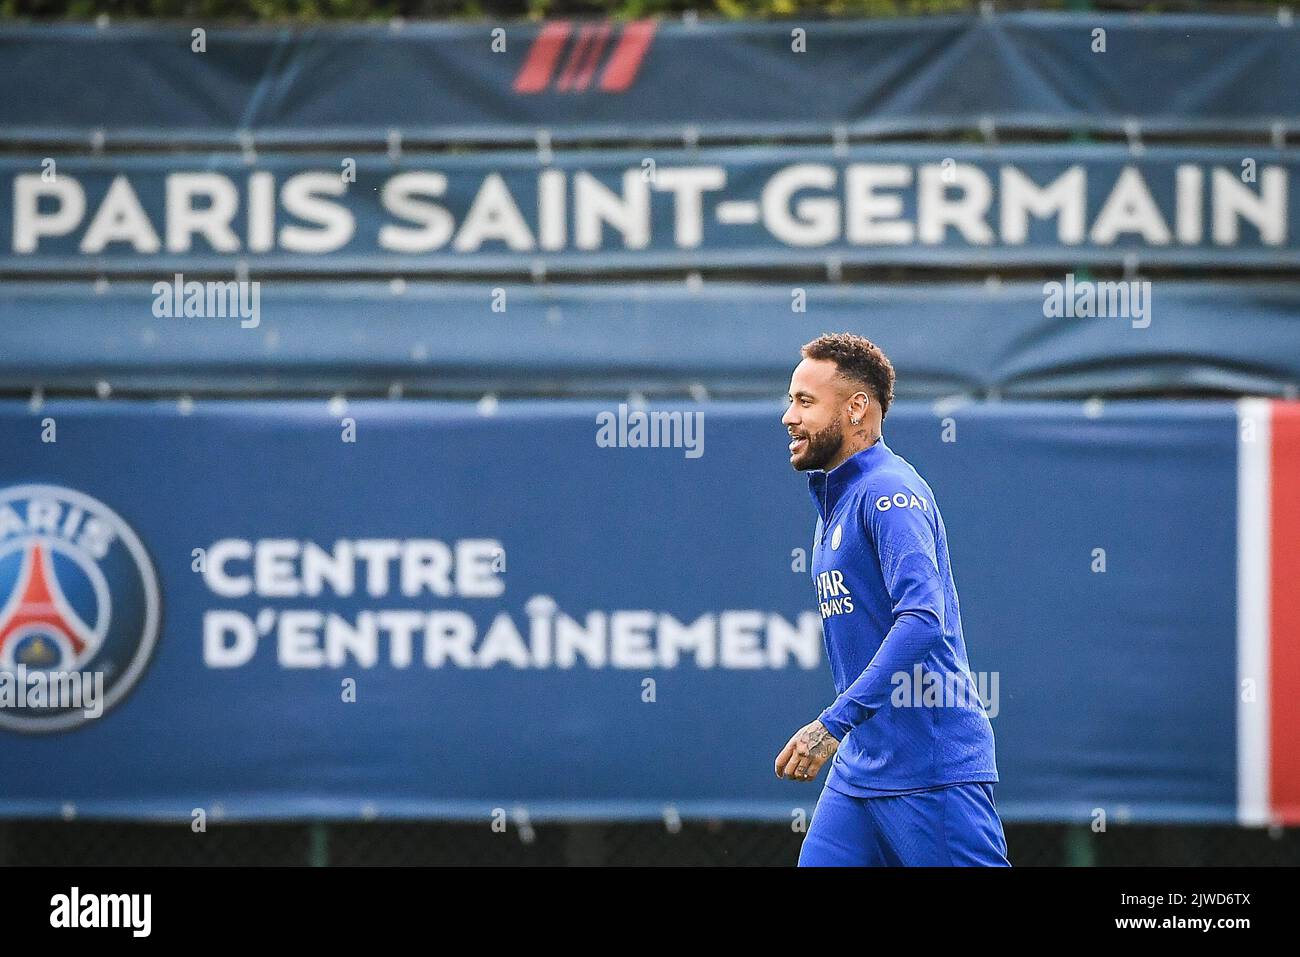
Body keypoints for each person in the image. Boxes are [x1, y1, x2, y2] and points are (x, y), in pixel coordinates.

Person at [775, 332, 1009, 867]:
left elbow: (923, 619)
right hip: (861, 772)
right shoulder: (837, 497)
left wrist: (832, 723)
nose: (789, 416)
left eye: (805, 402)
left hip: (930, 772)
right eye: (792, 399)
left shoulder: (888, 494)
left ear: (857, 408)